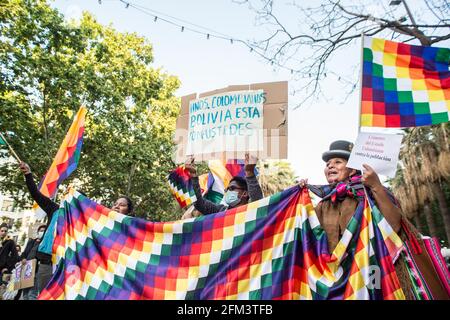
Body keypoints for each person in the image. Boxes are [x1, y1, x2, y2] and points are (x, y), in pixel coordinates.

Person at [300, 140, 448, 300]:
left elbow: (394, 225)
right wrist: (300, 200)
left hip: (374, 273)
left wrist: (376, 186)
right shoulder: (323, 204)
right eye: (328, 163)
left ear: (352, 170)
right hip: (336, 279)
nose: (330, 166)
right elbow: (308, 237)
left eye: (338, 162)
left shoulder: (372, 192)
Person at [19, 161, 134, 295]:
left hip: (70, 266)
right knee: (46, 295)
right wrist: (28, 174)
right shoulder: (54, 209)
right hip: (47, 263)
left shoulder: (84, 221)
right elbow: (35, 194)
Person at [184, 153, 263, 215]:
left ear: (245, 193)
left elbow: (258, 201)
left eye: (231, 188)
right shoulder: (221, 211)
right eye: (227, 189)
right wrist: (193, 175)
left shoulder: (252, 211)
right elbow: (198, 203)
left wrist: (249, 172)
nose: (228, 192)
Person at [18, 225, 47, 300]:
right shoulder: (31, 241)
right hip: (26, 270)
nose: (42, 232)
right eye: (41, 230)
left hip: (37, 270)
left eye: (44, 231)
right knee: (25, 294)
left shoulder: (45, 243)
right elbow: (24, 253)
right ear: (38, 232)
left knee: (32, 294)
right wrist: (23, 258)